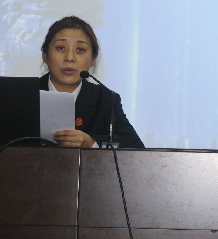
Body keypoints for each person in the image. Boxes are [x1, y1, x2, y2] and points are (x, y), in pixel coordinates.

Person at [40, 16, 144, 149]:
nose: (69, 58)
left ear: (93, 60)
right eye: (61, 47)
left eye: (80, 50)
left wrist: (91, 143)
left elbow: (136, 148)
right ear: (45, 55)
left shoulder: (105, 99)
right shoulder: (23, 95)